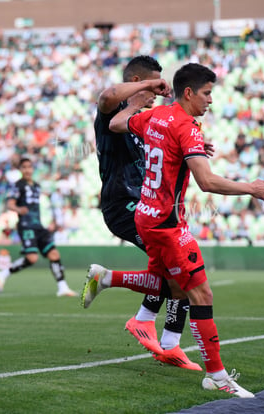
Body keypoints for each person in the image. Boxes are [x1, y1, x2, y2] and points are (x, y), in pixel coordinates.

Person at [83, 63, 264, 398]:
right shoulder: (186, 126)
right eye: (207, 93)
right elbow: (206, 181)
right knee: (200, 294)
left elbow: (117, 122)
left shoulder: (156, 117)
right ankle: (216, 376)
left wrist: (182, 147)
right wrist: (251, 188)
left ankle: (114, 285)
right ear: (189, 92)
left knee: (169, 285)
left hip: (145, 214)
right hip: (166, 223)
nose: (211, 101)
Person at [86, 55, 201, 371]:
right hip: (123, 206)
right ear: (137, 83)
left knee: (178, 277)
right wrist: (148, 87)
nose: (158, 94)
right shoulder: (113, 115)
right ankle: (150, 326)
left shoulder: (142, 120)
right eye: (154, 86)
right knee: (180, 275)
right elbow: (106, 97)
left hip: (149, 207)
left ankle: (167, 344)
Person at [0, 157, 78, 297]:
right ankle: (3, 274)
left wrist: (51, 220)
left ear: (33, 169)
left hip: (38, 226)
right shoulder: (18, 185)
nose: (27, 170)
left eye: (29, 167)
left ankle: (62, 287)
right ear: (20, 169)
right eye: (24, 167)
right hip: (26, 226)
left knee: (54, 254)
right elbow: (10, 203)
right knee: (32, 258)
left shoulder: (36, 186)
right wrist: (19, 210)